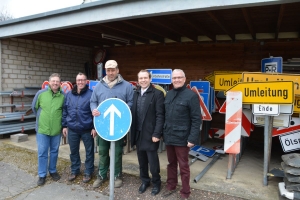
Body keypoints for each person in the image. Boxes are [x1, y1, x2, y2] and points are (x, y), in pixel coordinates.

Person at [90, 60, 134, 188]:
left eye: (113, 70)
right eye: (108, 70)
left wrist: (124, 109)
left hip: (118, 127)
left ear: (117, 70)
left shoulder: (127, 86)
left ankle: (117, 175)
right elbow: (93, 101)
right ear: (106, 71)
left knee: (117, 152)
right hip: (102, 126)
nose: (110, 72)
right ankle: (102, 175)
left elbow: (130, 102)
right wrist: (94, 109)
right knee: (103, 151)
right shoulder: (99, 86)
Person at [161, 69, 202, 200]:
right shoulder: (168, 94)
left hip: (183, 138)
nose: (177, 80)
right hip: (169, 136)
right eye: (174, 78)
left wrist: (192, 138)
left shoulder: (191, 96)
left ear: (184, 79)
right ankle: (171, 186)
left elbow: (196, 119)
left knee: (183, 166)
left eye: (179, 77)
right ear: (171, 80)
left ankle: (185, 192)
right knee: (171, 163)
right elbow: (165, 115)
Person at [130, 70, 164, 196]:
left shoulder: (157, 94)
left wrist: (157, 133)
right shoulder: (135, 93)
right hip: (138, 133)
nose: (143, 80)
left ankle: (156, 182)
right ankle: (145, 180)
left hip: (151, 134)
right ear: (138, 80)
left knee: (153, 162)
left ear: (150, 79)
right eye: (141, 78)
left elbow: (160, 116)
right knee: (142, 160)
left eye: (145, 78)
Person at [62, 72, 97, 183]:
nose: (80, 82)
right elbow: (65, 110)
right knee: (73, 151)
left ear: (86, 81)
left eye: (82, 80)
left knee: (89, 151)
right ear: (76, 81)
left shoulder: (91, 94)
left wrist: (94, 127)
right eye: (78, 80)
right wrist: (64, 125)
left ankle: (88, 171)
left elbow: (95, 112)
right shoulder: (69, 94)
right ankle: (75, 170)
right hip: (72, 128)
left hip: (87, 128)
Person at [32, 73, 65, 186]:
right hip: (42, 129)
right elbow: (34, 108)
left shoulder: (62, 96)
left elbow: (64, 111)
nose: (55, 83)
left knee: (54, 151)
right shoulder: (41, 94)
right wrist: (42, 119)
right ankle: (42, 174)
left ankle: (52, 170)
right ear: (49, 82)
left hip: (56, 130)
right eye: (53, 81)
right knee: (42, 152)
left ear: (60, 83)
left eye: (57, 81)